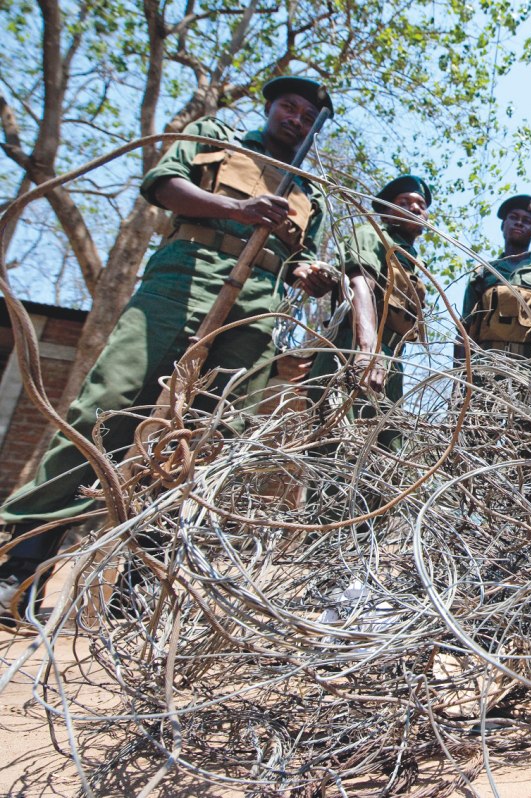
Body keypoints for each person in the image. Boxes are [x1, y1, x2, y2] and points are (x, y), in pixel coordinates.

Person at [0, 76, 335, 623]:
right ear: (269, 107)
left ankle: (140, 587)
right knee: (109, 405)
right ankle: (26, 562)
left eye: (306, 115)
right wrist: (243, 208)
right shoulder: (217, 136)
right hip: (182, 280)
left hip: (257, 308)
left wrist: (309, 274)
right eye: (288, 106)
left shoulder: (309, 192)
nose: (296, 119)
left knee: (208, 436)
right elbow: (163, 185)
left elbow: (303, 256)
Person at [310, 174, 430, 403]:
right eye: (403, 203)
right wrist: (367, 351)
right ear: (387, 210)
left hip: (390, 358)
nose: (414, 208)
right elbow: (360, 283)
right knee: (343, 433)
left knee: (389, 435)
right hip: (355, 349)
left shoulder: (413, 261)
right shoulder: (372, 234)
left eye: (421, 205)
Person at [459, 194, 531, 363]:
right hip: (485, 366)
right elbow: (464, 328)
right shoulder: (482, 274)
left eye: (527, 220)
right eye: (513, 217)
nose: (519, 223)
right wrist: (459, 380)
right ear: (503, 225)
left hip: (528, 369)